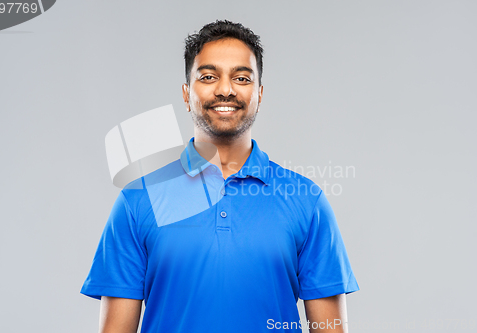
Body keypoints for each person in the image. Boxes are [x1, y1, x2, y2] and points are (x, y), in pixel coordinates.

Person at [81, 20, 359, 333]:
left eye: (241, 78)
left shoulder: (307, 201)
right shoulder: (138, 200)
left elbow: (331, 328)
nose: (225, 90)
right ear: (187, 94)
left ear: (259, 94)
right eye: (209, 76)